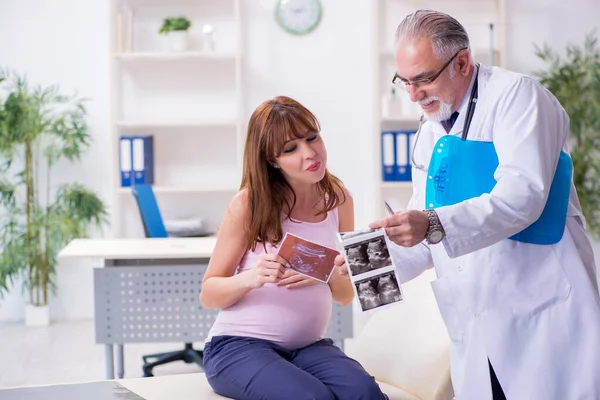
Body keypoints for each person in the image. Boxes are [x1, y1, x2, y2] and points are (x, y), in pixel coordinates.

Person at [336, 9, 600, 400]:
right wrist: (357, 266)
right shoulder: (428, 131)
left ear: (461, 61)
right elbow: (423, 232)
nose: (413, 95)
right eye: (404, 82)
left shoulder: (517, 96)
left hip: (541, 313)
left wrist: (429, 223)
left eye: (423, 79)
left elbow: (523, 196)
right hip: (476, 322)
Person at [200, 96, 388, 400]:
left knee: (365, 393)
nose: (310, 152)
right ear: (272, 160)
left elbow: (346, 295)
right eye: (291, 149)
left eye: (312, 137)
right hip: (237, 346)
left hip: (306, 348)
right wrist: (252, 277)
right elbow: (209, 294)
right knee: (311, 397)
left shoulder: (340, 200)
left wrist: (326, 272)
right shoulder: (248, 204)